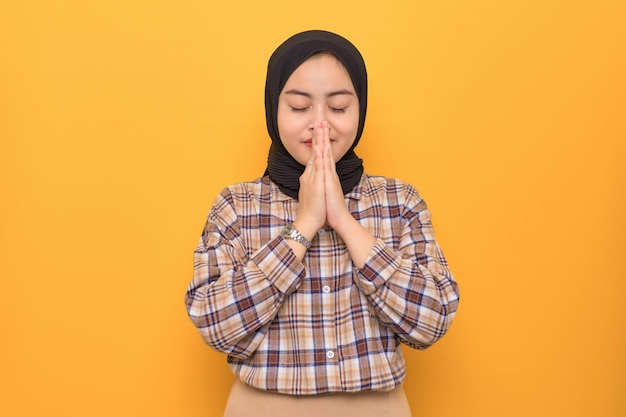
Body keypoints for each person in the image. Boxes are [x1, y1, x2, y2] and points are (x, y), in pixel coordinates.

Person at [185, 30, 460, 417]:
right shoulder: (235, 206)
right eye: (299, 107)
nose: (320, 126)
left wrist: (343, 221)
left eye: (339, 107)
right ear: (273, 110)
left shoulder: (400, 202)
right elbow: (215, 324)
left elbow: (431, 321)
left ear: (360, 110)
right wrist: (305, 224)